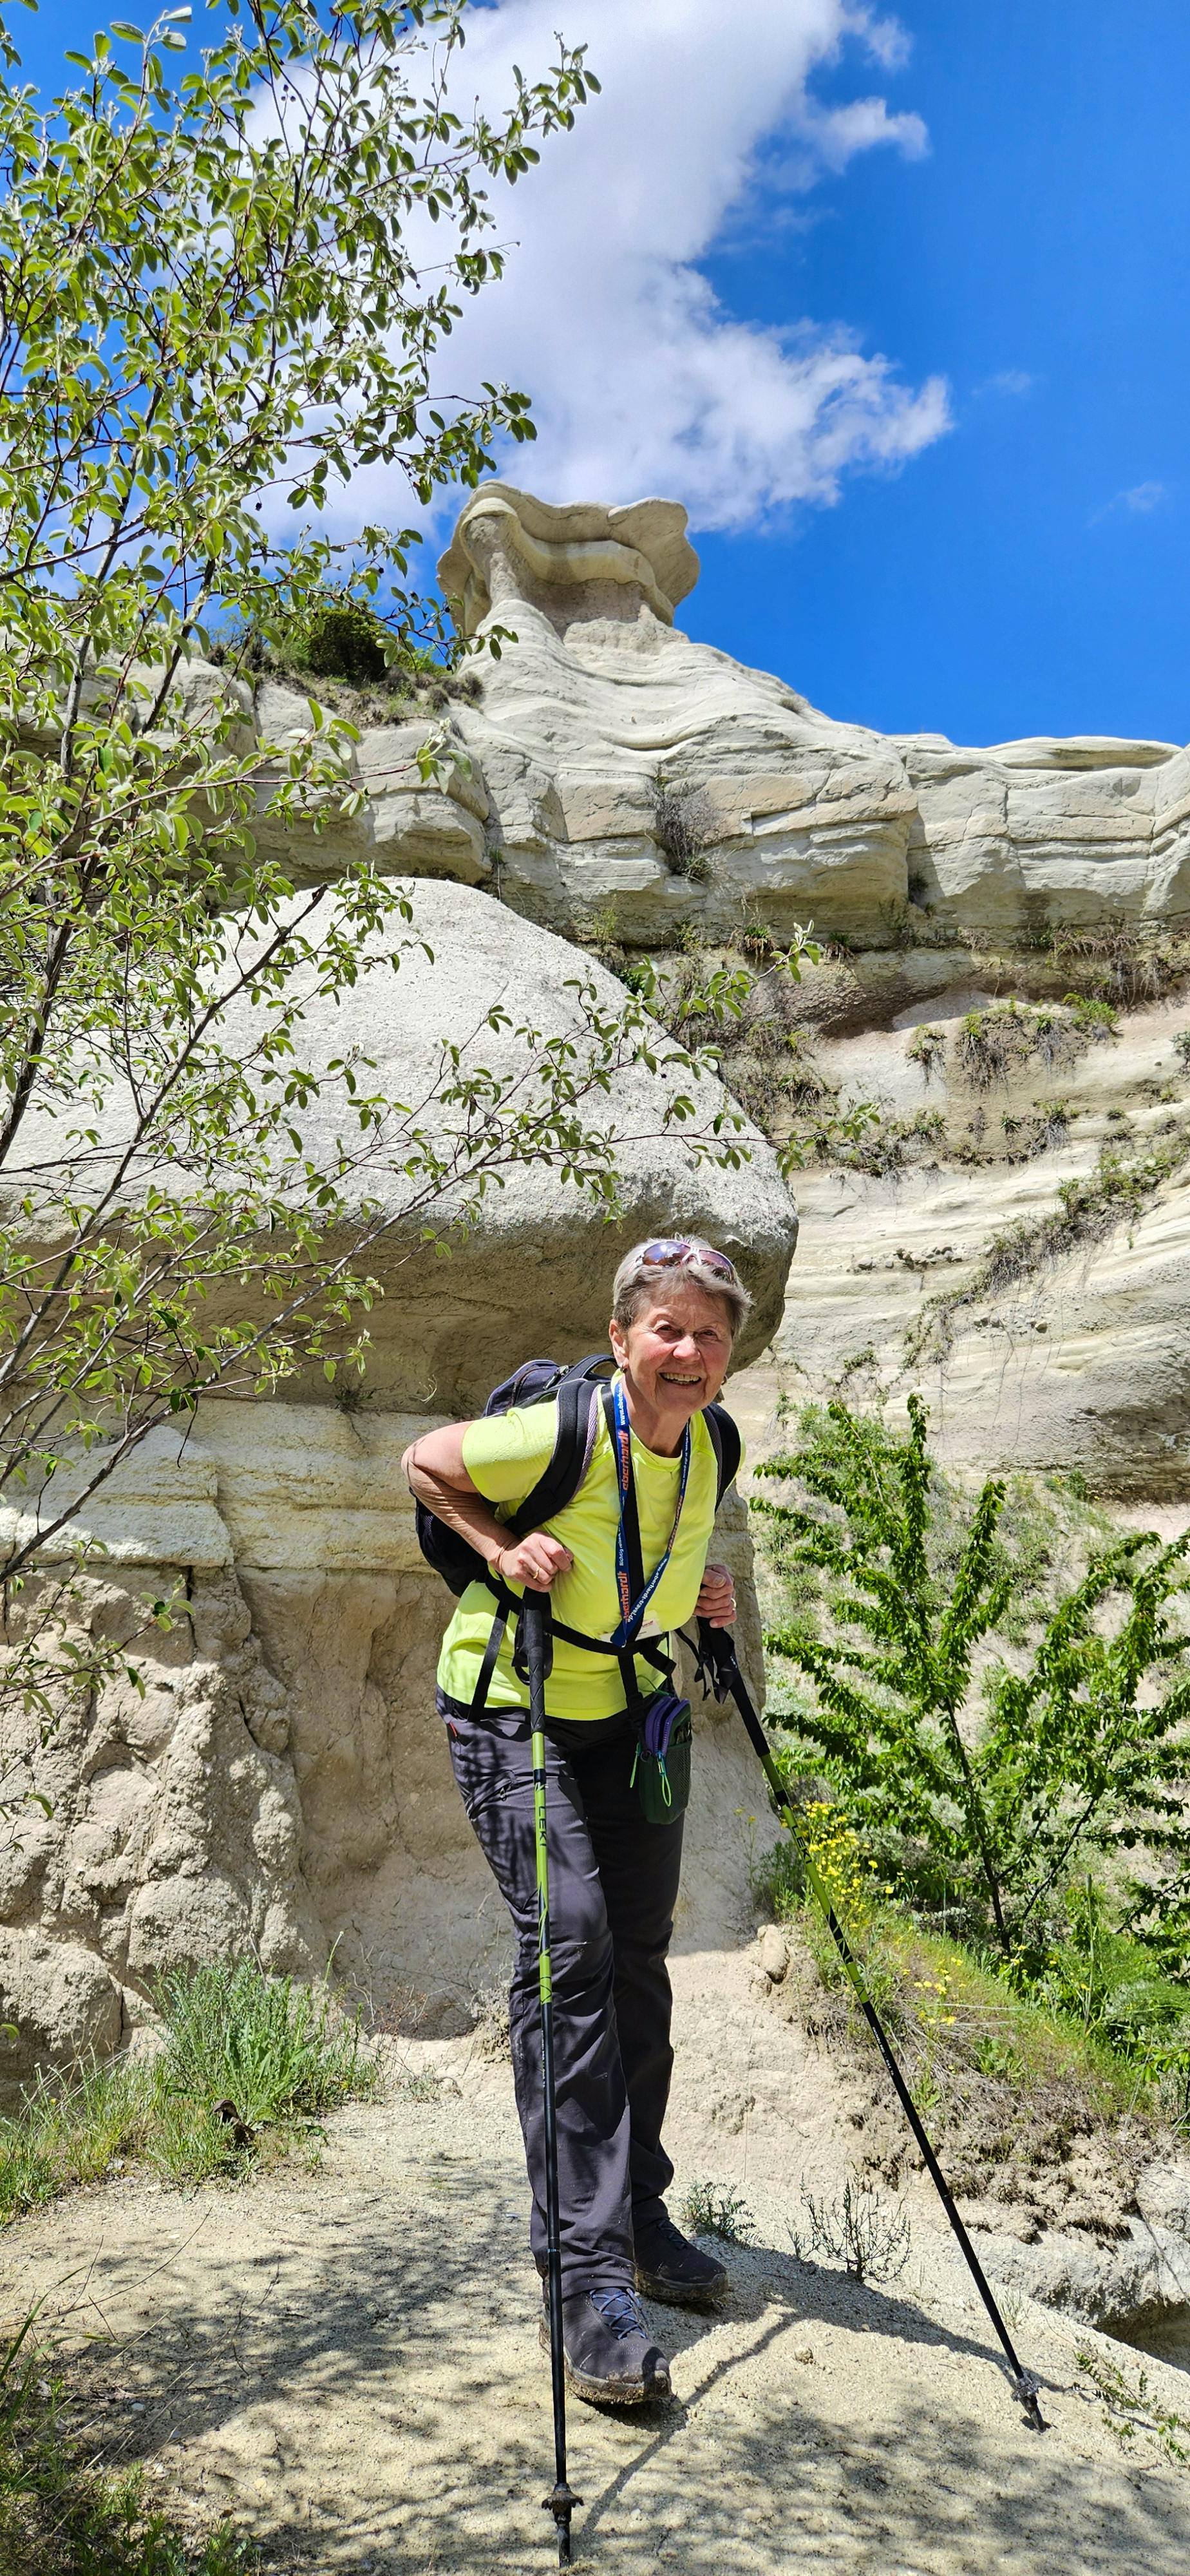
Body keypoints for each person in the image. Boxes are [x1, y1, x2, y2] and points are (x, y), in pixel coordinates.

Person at [402, 1236, 750, 2407]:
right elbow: (423, 1461)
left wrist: (705, 1596)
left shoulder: (713, 1446)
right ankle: (586, 2281)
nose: (689, 1352)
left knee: (639, 1958)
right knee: (573, 1949)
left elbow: (669, 1552)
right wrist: (503, 1548)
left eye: (709, 1334)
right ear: (623, 1338)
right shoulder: (561, 1431)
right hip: (514, 1705)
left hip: (633, 1714)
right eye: (669, 1329)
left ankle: (640, 2214)